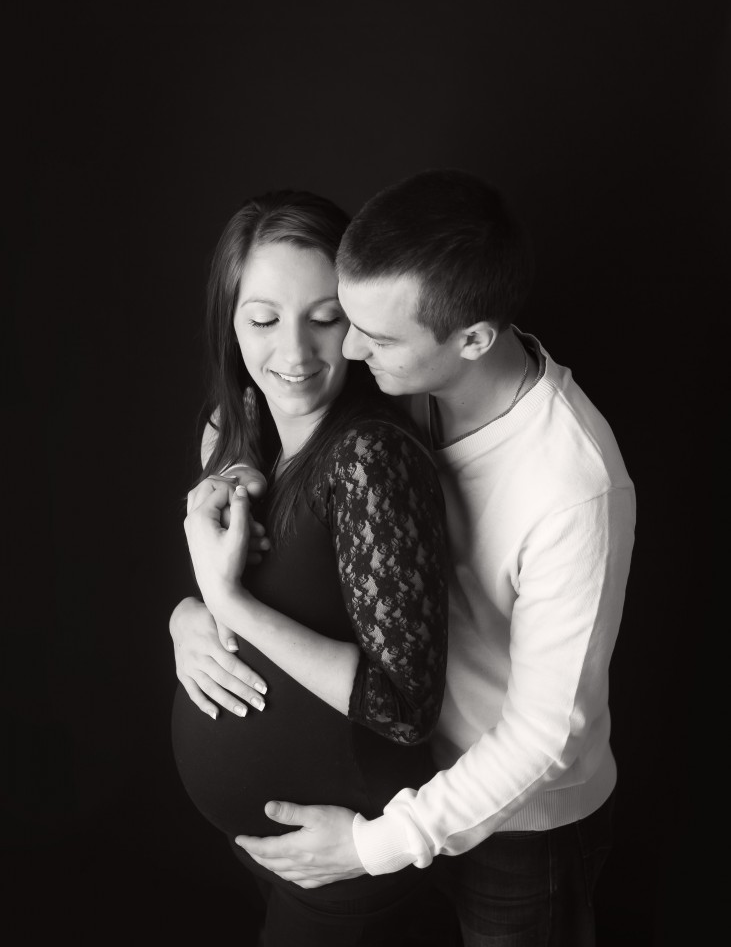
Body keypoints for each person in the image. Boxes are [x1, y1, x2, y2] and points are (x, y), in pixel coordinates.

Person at [174, 169, 636, 947]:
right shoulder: (404, 378)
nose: (344, 347)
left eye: (366, 333)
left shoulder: (574, 487)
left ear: (472, 340)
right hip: (404, 781)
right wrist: (191, 610)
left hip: (515, 829)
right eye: (345, 318)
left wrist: (369, 847)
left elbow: (544, 737)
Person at [170, 188, 450, 947]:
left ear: (357, 323)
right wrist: (185, 617)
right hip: (268, 856)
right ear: (229, 323)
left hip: (348, 863)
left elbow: (404, 706)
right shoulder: (232, 429)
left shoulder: (369, 460)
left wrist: (224, 600)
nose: (293, 353)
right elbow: (265, 595)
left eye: (325, 318)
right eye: (263, 319)